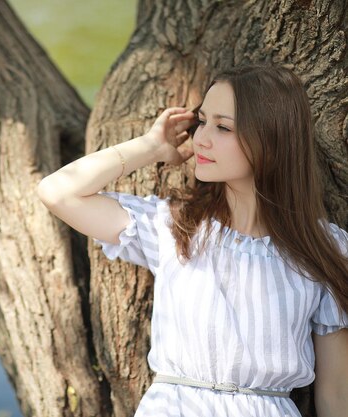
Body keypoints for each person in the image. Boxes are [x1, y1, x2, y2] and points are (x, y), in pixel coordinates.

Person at [36, 63, 348, 417]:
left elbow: (336, 397)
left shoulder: (327, 250)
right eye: (202, 121)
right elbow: (57, 192)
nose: (201, 138)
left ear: (271, 137)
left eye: (223, 127)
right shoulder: (174, 226)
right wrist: (151, 147)